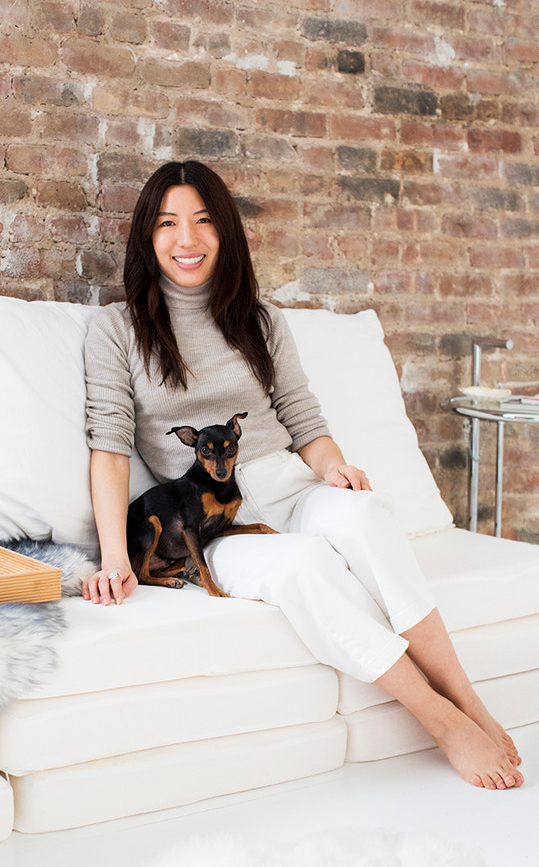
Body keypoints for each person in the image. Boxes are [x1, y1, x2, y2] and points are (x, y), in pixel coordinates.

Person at [82, 159, 523, 791]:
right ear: (146, 237)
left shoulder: (260, 321)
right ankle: (441, 720)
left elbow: (302, 417)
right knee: (302, 568)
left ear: (225, 231)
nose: (187, 239)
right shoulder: (117, 331)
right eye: (168, 223)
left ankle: (468, 700)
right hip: (212, 526)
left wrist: (334, 466)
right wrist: (113, 557)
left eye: (204, 221)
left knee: (369, 516)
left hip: (288, 484)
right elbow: (109, 446)